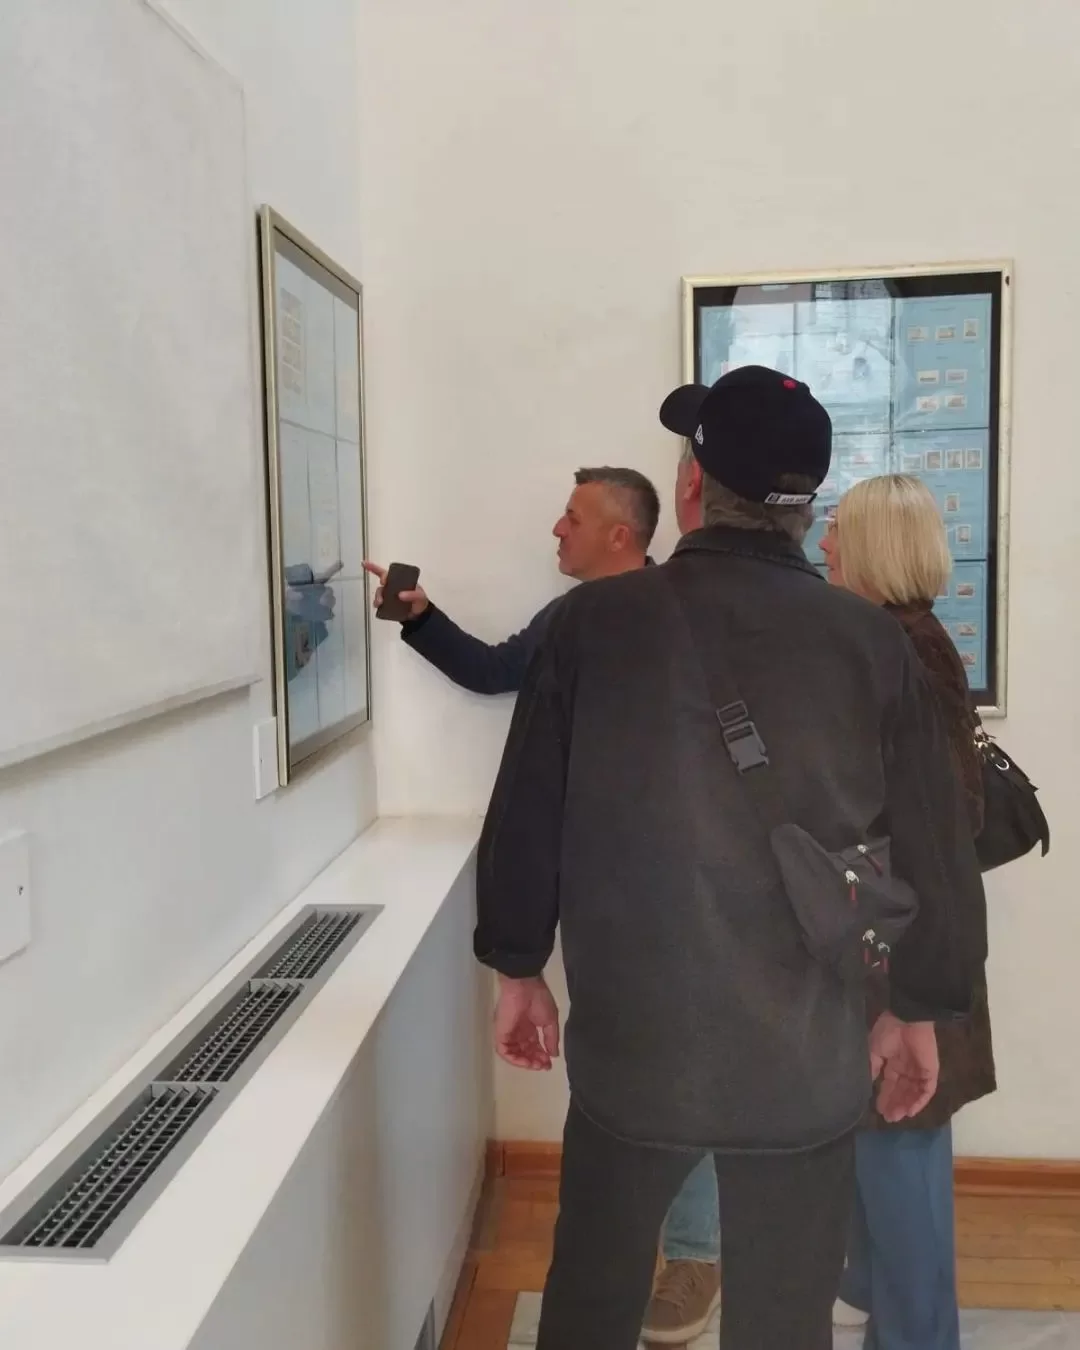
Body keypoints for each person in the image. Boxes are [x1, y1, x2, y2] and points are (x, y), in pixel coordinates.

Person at [474, 365, 987, 1350]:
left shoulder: (593, 625)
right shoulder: (871, 642)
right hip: (806, 1053)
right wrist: (916, 1008)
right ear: (808, 507)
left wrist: (517, 966)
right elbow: (935, 848)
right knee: (785, 1320)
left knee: (590, 1299)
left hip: (635, 1052)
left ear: (693, 486)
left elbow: (526, 812)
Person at [820, 474, 995, 1350]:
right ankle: (879, 1307)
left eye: (837, 532)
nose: (822, 544)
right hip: (903, 941)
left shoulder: (901, 655)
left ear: (873, 551)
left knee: (900, 1160)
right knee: (883, 1159)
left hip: (907, 950)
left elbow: (927, 829)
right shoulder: (907, 642)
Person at [362, 467, 660, 693]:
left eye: (574, 519)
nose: (558, 529)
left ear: (618, 537)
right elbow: (492, 671)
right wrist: (421, 616)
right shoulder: (566, 615)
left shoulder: (670, 619)